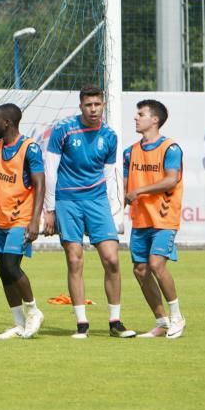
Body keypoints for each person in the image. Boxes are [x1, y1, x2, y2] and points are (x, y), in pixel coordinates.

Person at [42, 84, 135, 339]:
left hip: (96, 202)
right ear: (81, 106)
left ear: (103, 105)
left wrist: (114, 209)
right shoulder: (63, 130)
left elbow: (110, 174)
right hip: (67, 201)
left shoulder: (110, 135)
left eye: (97, 104)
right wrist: (49, 209)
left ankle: (115, 321)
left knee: (112, 259)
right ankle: (82, 323)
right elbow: (50, 169)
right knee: (74, 259)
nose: (93, 109)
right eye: (88, 105)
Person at [0, 103, 45, 340]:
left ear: (7, 123)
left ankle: (34, 311)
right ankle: (18, 323)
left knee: (10, 265)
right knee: (2, 270)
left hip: (22, 218)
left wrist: (35, 221)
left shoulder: (30, 148)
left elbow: (39, 185)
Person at [123, 99, 186, 339]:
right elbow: (126, 184)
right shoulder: (130, 152)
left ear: (155, 120)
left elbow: (171, 179)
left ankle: (177, 316)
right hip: (140, 220)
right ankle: (162, 322)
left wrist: (139, 191)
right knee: (140, 270)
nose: (136, 118)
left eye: (140, 114)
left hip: (164, 218)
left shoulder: (171, 148)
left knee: (156, 265)